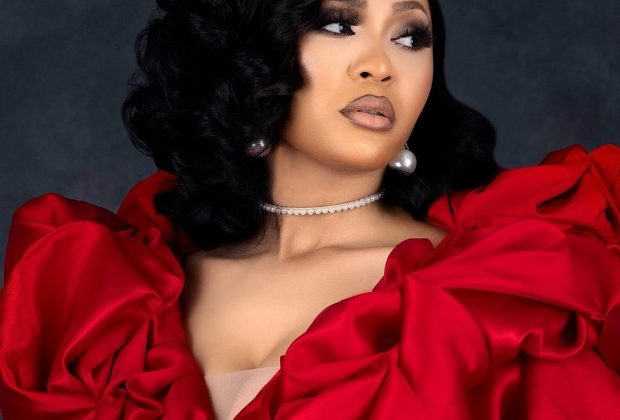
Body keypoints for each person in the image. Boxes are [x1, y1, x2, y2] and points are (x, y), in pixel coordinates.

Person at [0, 0, 618, 418]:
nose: (381, 65)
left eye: (410, 36)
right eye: (340, 24)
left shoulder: (491, 300)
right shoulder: (115, 305)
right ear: (248, 49)